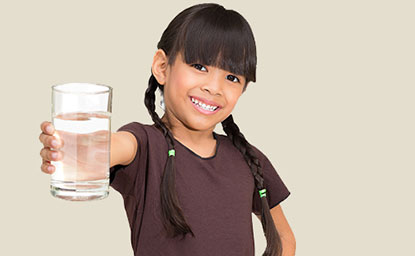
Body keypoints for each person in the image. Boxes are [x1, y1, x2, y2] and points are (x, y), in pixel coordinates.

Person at [38, 3, 295, 256]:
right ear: (162, 67)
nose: (214, 88)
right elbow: (110, 147)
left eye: (232, 78)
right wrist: (71, 148)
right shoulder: (144, 144)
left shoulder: (248, 159)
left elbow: (284, 238)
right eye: (199, 67)